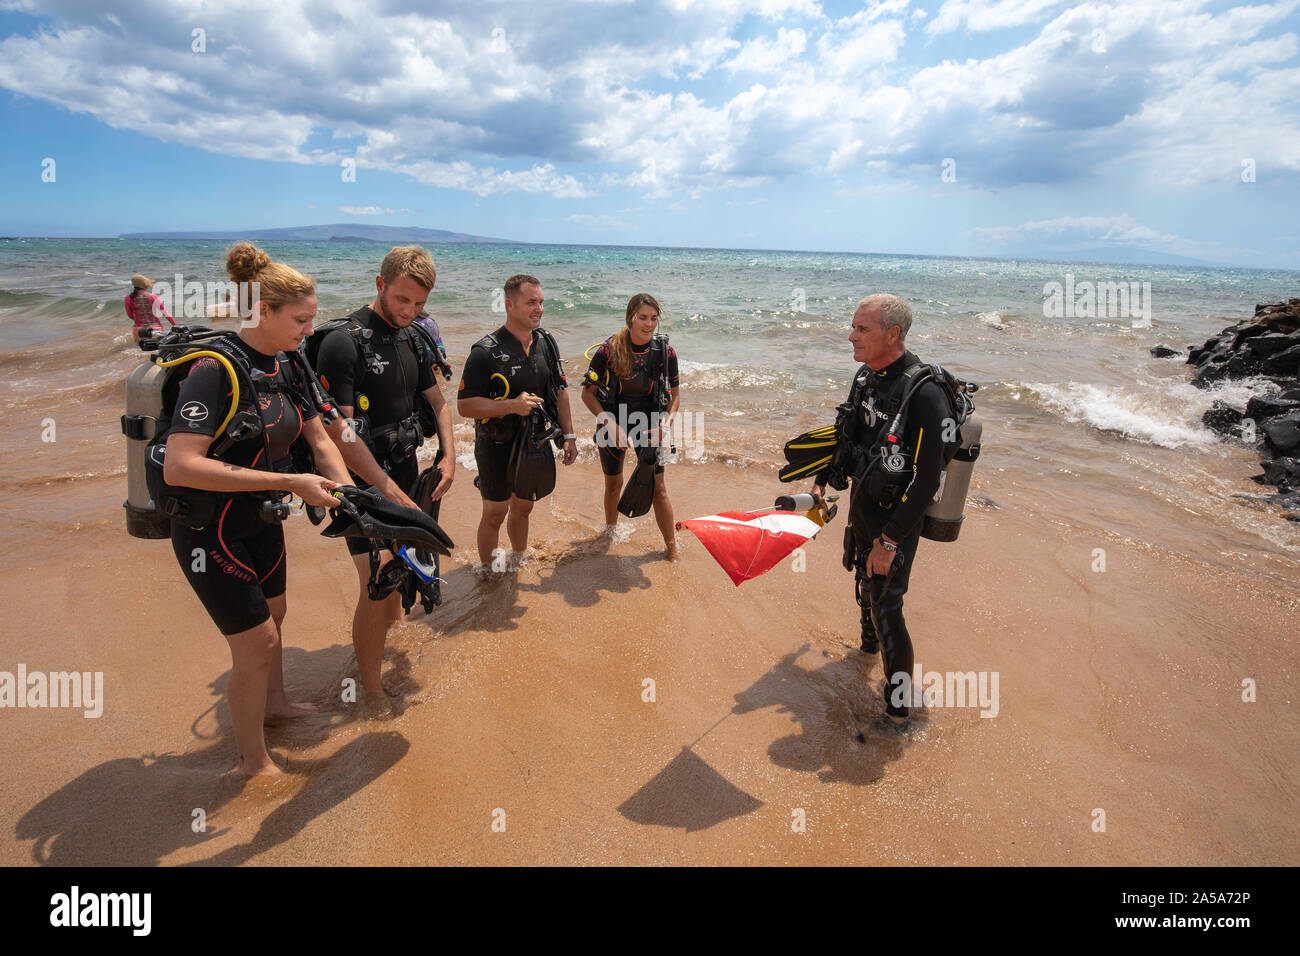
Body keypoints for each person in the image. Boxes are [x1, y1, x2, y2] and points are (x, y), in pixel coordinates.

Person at [161, 243, 353, 776]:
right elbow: (180, 465)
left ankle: (276, 703)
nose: (309, 331)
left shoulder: (289, 363)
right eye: (300, 320)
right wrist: (290, 480)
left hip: (263, 519)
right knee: (258, 642)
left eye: (312, 320)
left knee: (277, 617)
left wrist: (348, 495)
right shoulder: (213, 370)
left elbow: (320, 438)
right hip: (209, 528)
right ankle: (252, 763)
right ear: (262, 311)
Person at [313, 246, 456, 700]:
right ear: (380, 284)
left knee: (401, 574)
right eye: (402, 300)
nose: (409, 311)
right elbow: (342, 437)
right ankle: (370, 691)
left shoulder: (413, 337)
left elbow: (437, 402)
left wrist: (449, 457)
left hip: (405, 472)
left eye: (419, 304)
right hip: (360, 486)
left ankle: (390, 639)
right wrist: (388, 490)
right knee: (379, 581)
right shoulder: (344, 343)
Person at [810, 294, 952, 721]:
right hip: (864, 503)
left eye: (861, 329)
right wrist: (820, 481)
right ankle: (866, 652)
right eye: (853, 326)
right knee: (862, 579)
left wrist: (888, 542)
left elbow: (927, 482)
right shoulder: (865, 377)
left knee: (888, 605)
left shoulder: (925, 396)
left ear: (893, 334)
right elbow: (846, 434)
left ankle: (898, 712)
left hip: (898, 518)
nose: (851, 336)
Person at [456, 274, 577, 570]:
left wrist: (569, 436)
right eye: (531, 302)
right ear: (509, 305)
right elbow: (464, 406)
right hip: (495, 443)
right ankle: (490, 572)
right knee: (496, 513)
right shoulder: (485, 352)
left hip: (534, 443)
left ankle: (517, 562)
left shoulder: (546, 344)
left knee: (524, 508)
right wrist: (511, 405)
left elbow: (559, 391)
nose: (539, 309)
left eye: (541, 302)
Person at [581, 293, 681, 559]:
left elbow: (676, 396)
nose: (648, 325)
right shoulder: (608, 350)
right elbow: (587, 394)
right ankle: (610, 533)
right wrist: (609, 423)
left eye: (653, 319)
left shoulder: (665, 352)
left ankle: (671, 547)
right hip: (612, 419)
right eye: (643, 318)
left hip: (649, 424)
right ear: (630, 318)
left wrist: (666, 426)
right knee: (613, 485)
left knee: (658, 489)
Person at [124, 274, 175, 343]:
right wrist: (175, 325)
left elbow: (130, 316)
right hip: (155, 330)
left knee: (139, 350)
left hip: (138, 331)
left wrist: (139, 321)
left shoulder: (128, 298)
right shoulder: (153, 297)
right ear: (145, 285)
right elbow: (165, 313)